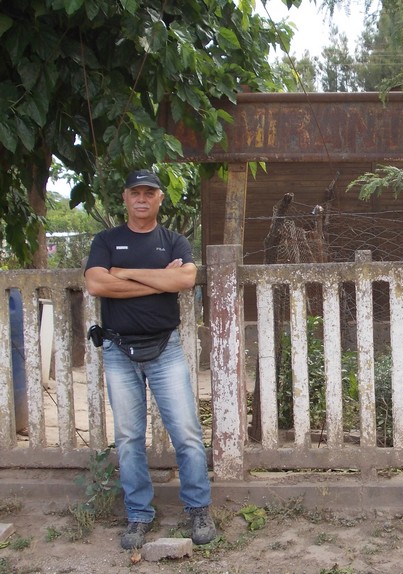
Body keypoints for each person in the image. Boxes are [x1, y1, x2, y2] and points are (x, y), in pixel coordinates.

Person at [84, 169, 216, 550]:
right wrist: (157, 278)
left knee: (187, 434)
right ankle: (139, 515)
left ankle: (198, 509)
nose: (142, 199)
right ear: (125, 198)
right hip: (118, 350)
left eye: (150, 193)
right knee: (128, 438)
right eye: (135, 193)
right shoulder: (106, 240)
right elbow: (96, 284)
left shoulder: (174, 241)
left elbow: (183, 282)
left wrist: (122, 274)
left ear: (160, 199)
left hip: (165, 349)